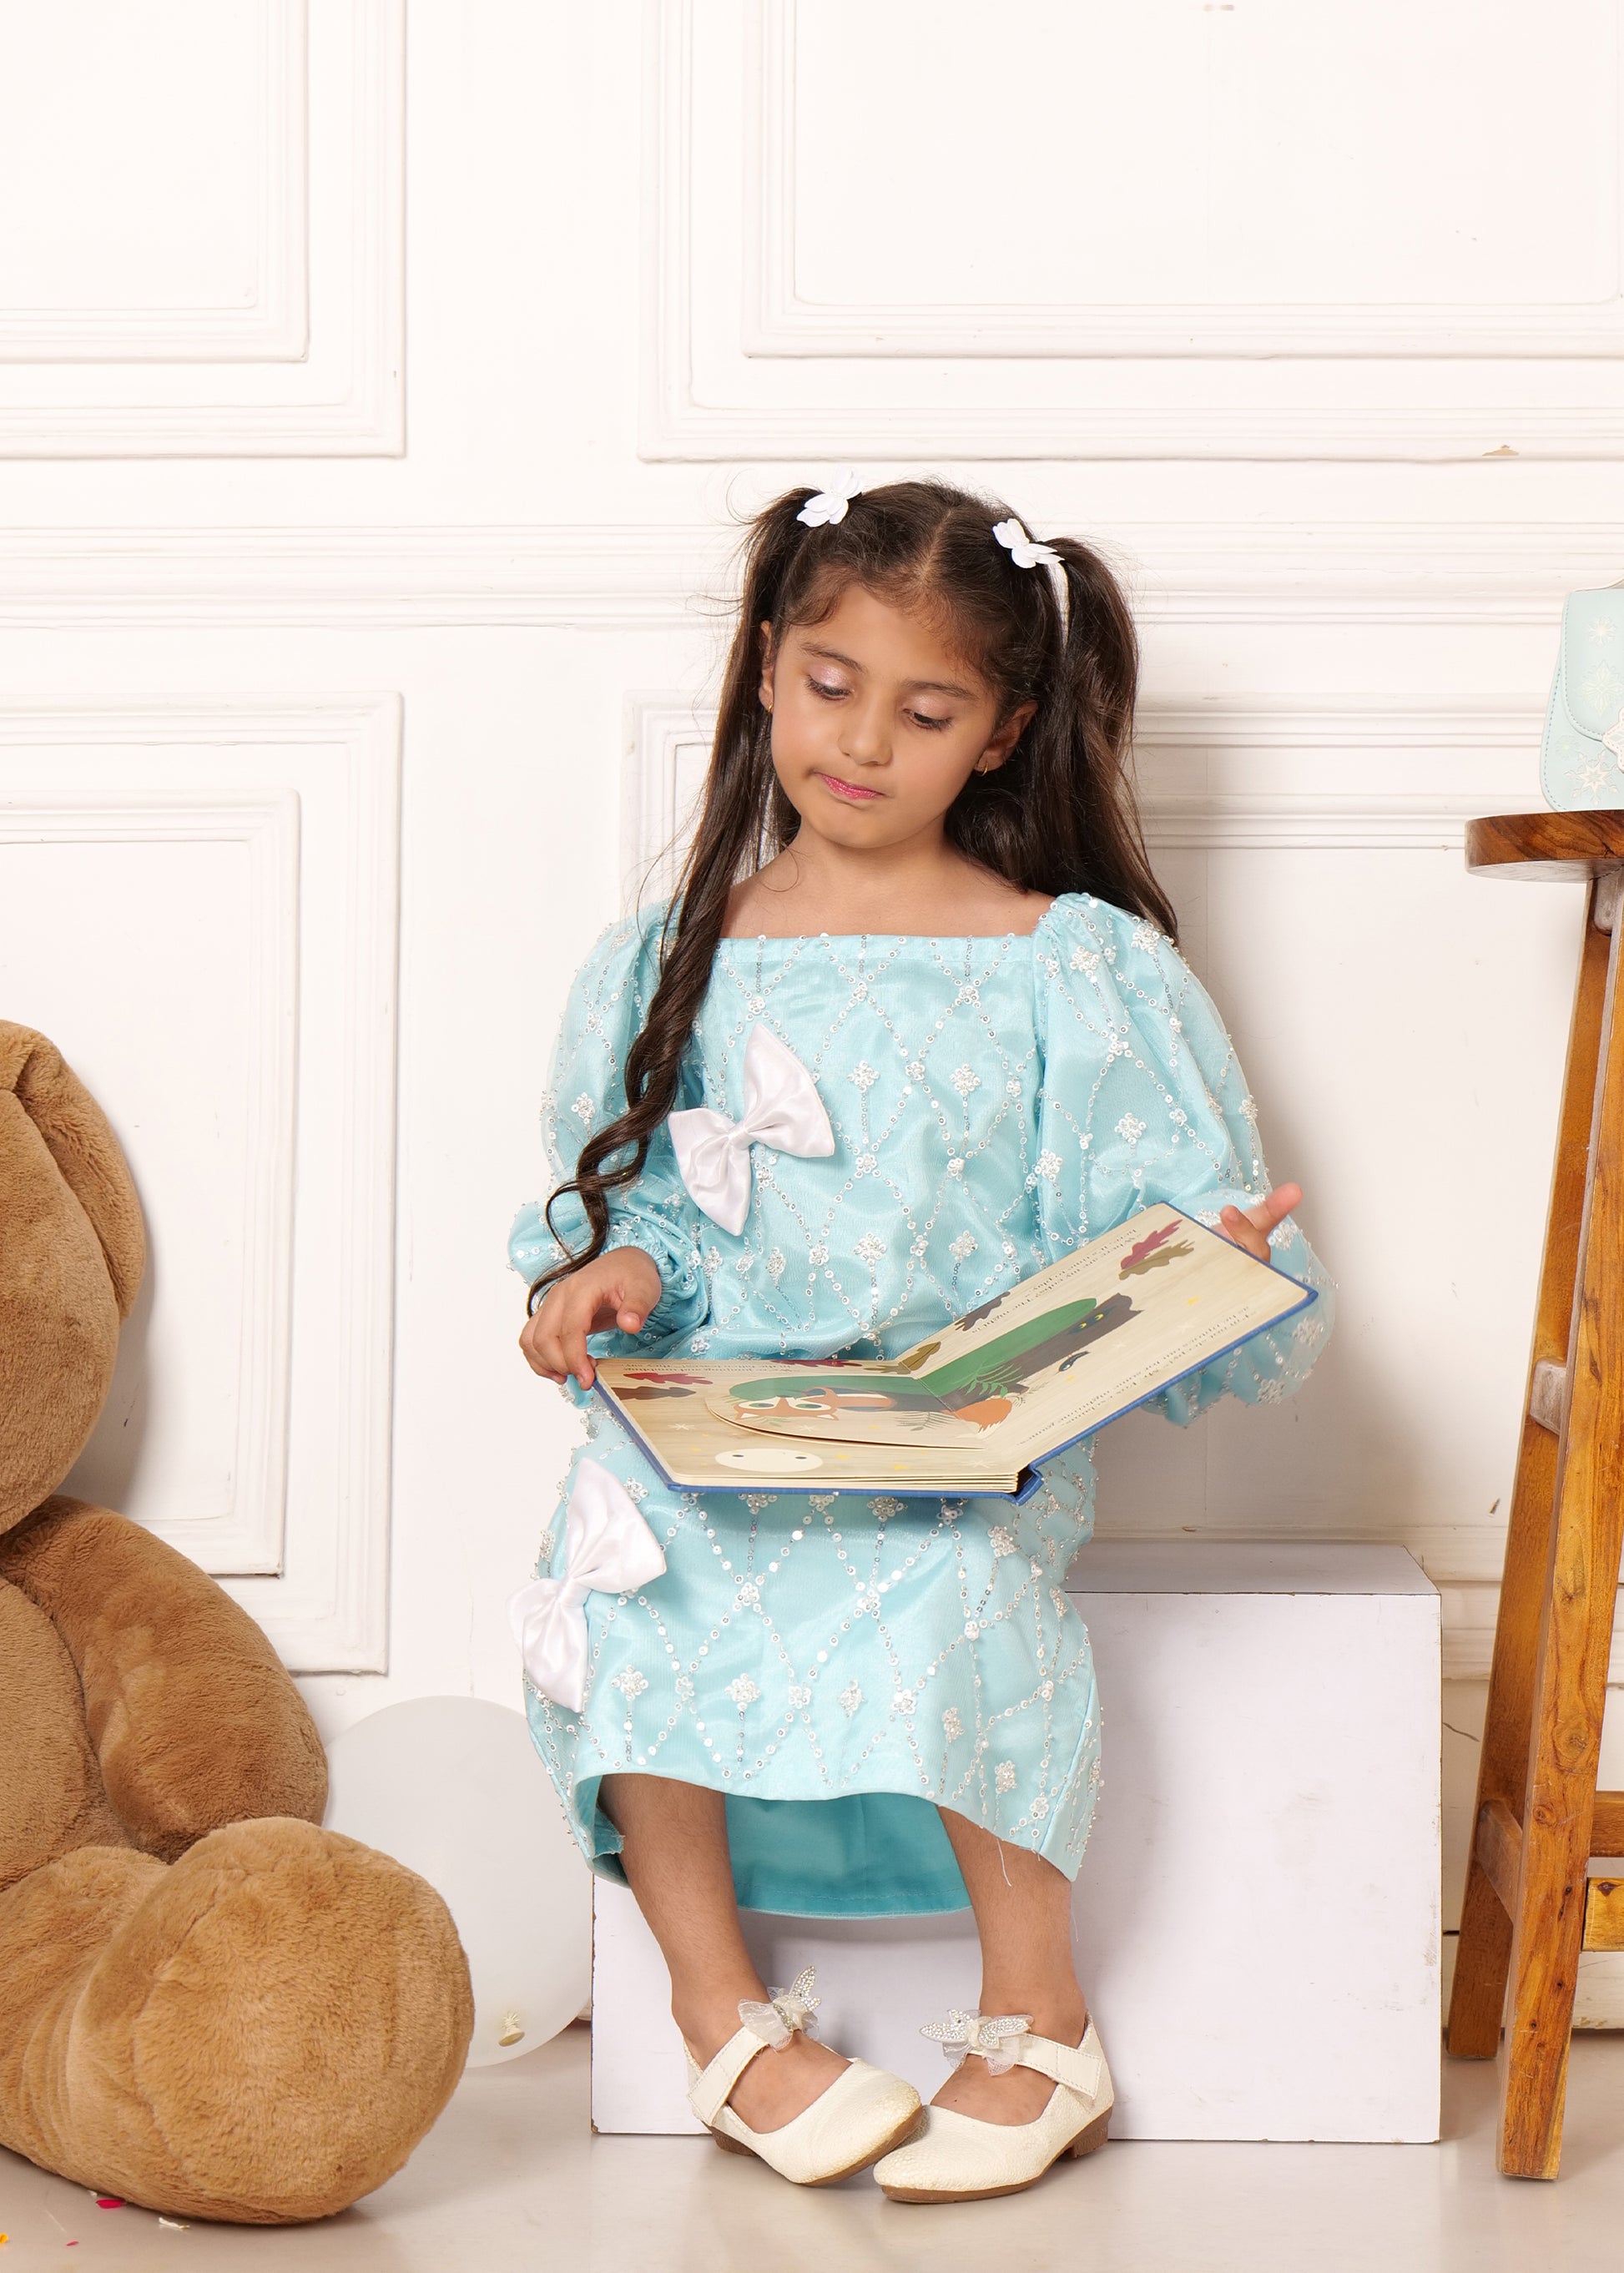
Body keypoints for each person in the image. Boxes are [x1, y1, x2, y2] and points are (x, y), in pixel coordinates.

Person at [508, 476, 1333, 2204]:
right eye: (829, 682)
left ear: (1002, 732)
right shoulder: (675, 961)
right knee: (627, 1548)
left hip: (964, 1442)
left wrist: (1204, 1260)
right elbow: (636, 1209)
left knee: (961, 1590)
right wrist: (608, 1287)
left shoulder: (1062, 963)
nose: (862, 739)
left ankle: (1038, 2023)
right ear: (761, 668)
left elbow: (1142, 1222)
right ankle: (722, 2015)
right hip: (724, 1423)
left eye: (926, 706)